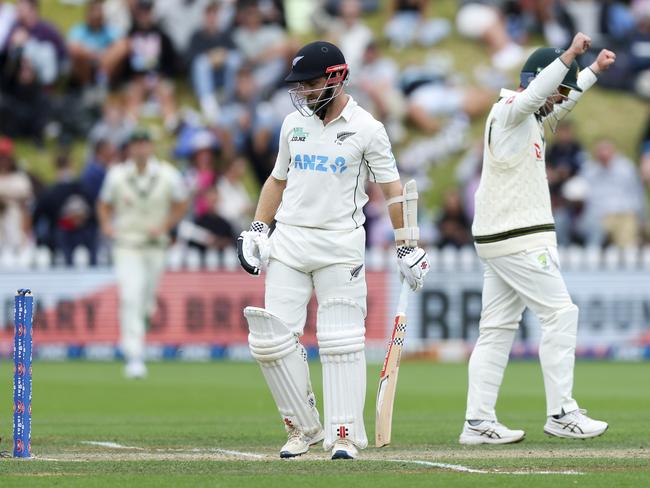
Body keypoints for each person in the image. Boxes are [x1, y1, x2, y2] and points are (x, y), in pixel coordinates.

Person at [237, 41, 430, 460]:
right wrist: (257, 227)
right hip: (288, 241)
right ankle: (301, 427)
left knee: (340, 341)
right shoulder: (293, 125)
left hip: (340, 245)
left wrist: (407, 246)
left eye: (309, 85)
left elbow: (392, 190)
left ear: (335, 77)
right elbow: (277, 180)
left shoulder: (367, 128)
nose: (302, 93)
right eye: (299, 86)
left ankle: (342, 433)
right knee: (271, 340)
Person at [461, 33, 615, 445]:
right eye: (555, 88)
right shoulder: (510, 108)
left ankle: (477, 422)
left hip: (502, 238)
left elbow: (559, 99)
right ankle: (561, 411)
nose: (557, 100)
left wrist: (593, 71)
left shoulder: (528, 120)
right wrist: (568, 57)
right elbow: (540, 94)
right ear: (536, 80)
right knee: (560, 314)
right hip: (518, 239)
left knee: (496, 329)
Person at [98, 128, 188, 379]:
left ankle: (138, 330)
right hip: (127, 245)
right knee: (130, 295)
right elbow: (103, 204)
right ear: (129, 148)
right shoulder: (116, 175)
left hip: (155, 246)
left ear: (151, 147)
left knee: (146, 304)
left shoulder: (167, 174)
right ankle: (134, 355)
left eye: (144, 143)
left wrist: (165, 226)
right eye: (135, 144)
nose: (140, 149)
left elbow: (182, 202)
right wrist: (107, 225)